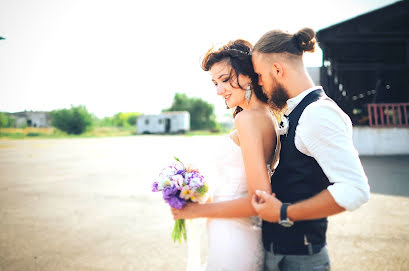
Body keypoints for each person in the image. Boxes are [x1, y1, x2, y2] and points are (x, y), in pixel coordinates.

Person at [250, 28, 370, 271]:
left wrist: (284, 212)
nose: (259, 83)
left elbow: (356, 190)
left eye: (260, 75)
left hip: (300, 261)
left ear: (277, 69)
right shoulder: (297, 110)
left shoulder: (318, 114)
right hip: (280, 254)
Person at [171, 39, 280, 271]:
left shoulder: (247, 119)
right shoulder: (267, 116)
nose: (219, 90)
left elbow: (258, 201)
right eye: (214, 83)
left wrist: (195, 210)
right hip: (233, 233)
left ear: (248, 76)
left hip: (233, 238)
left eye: (224, 80)